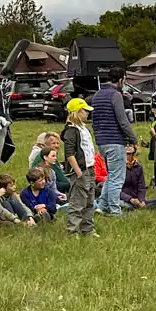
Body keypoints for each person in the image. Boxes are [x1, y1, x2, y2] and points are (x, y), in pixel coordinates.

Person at [91, 73, 135, 216]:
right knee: (117, 178)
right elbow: (123, 121)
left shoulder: (96, 95)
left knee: (111, 175)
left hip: (101, 142)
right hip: (115, 141)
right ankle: (115, 210)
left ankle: (102, 205)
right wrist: (132, 137)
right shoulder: (115, 95)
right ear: (121, 79)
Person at [61, 98, 99, 236]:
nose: (87, 113)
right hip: (81, 171)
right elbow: (69, 154)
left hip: (90, 168)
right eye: (85, 111)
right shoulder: (71, 130)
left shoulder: (84, 128)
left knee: (89, 201)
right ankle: (72, 231)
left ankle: (87, 229)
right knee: (77, 202)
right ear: (77, 112)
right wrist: (78, 172)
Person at [121, 144, 149, 210]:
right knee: (125, 205)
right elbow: (116, 190)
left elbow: (141, 186)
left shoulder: (138, 167)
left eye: (129, 154)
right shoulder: (119, 167)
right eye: (126, 154)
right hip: (123, 198)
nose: (128, 156)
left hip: (136, 198)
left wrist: (141, 200)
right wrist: (130, 199)